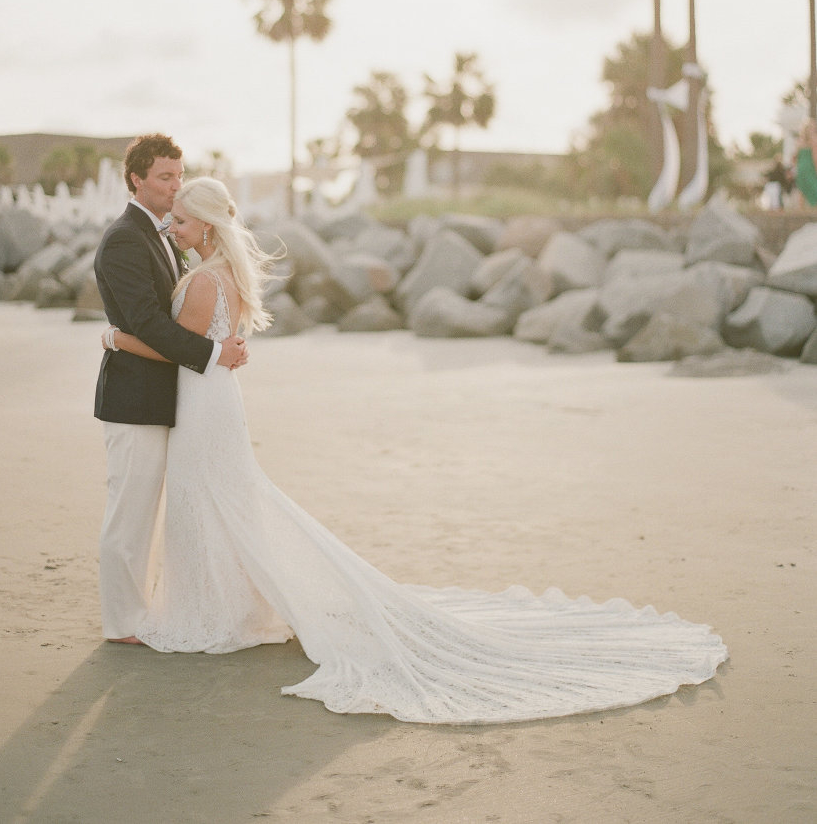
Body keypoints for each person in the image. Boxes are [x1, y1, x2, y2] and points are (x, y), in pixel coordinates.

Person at [104, 176, 728, 724]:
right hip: (215, 401)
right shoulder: (224, 275)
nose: (173, 228)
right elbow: (204, 347)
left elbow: (178, 348)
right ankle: (230, 608)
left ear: (205, 226)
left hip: (204, 404)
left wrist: (116, 339)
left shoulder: (204, 282)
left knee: (207, 501)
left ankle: (214, 613)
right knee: (222, 502)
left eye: (181, 220)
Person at [93, 135, 248, 644]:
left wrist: (217, 346)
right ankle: (123, 623)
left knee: (163, 514)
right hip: (135, 399)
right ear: (136, 179)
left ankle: (150, 610)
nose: (175, 186)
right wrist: (213, 353)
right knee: (130, 514)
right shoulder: (124, 239)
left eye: (179, 176)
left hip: (174, 398)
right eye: (165, 177)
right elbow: (149, 324)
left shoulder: (168, 236)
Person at [794, 119, 817, 206]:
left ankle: (801, 210)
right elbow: (815, 157)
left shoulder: (799, 141)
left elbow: (795, 157)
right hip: (810, 167)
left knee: (802, 189)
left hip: (800, 168)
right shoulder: (814, 140)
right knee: (814, 188)